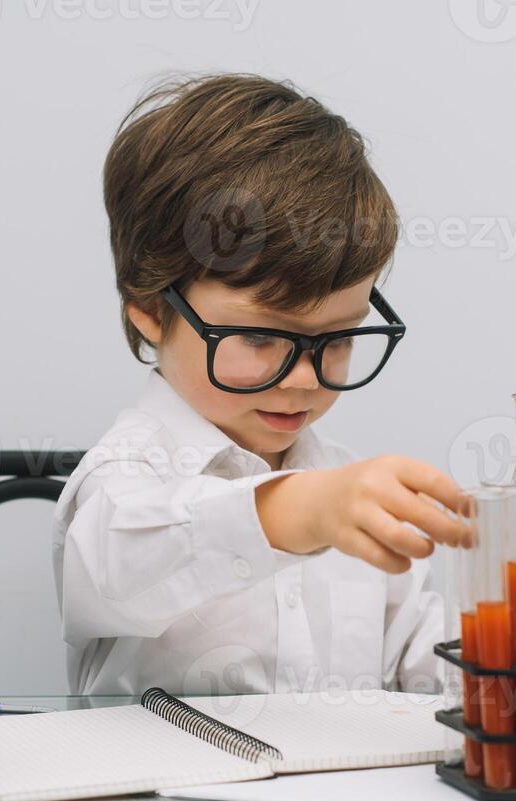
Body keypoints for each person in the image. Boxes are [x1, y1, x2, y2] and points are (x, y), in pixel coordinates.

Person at [52, 74, 468, 696]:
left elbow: (423, 664)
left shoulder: (346, 493)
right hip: (168, 795)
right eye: (259, 338)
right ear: (150, 307)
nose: (304, 379)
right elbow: (122, 565)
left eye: (338, 339)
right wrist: (295, 511)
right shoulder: (120, 481)